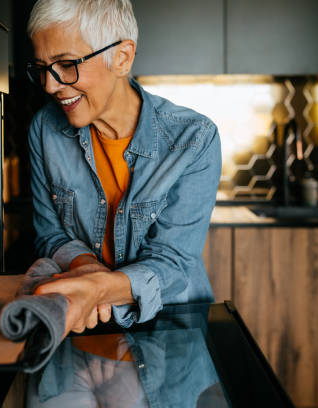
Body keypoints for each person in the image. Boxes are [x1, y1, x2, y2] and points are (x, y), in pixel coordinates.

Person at [26, 0, 222, 336]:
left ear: (122, 57)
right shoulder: (45, 129)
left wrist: (98, 289)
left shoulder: (194, 138)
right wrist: (89, 272)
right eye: (42, 67)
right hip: (84, 321)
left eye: (66, 64)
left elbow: (172, 264)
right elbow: (50, 234)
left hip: (171, 328)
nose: (50, 85)